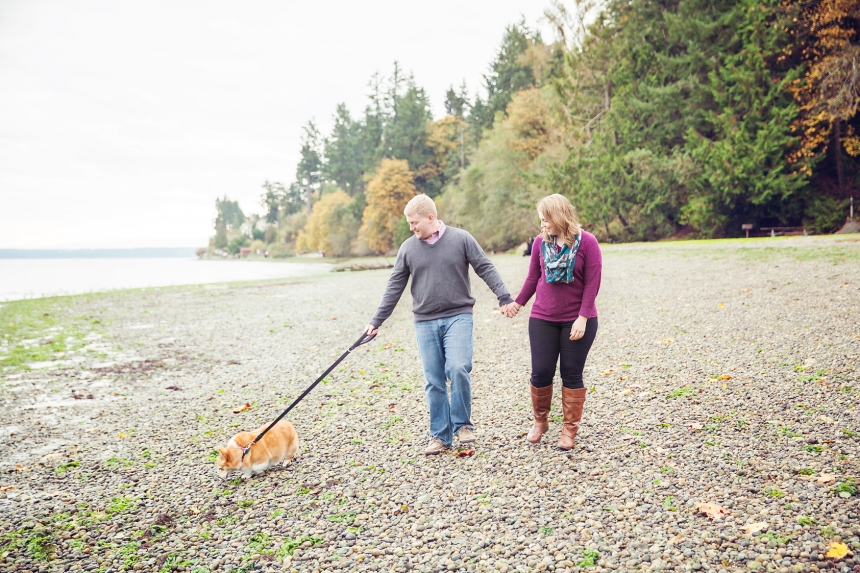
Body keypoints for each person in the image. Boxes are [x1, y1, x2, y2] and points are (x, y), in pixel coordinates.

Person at [364, 194, 515, 455]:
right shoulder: (408, 249)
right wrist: (377, 321)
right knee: (433, 380)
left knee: (458, 367)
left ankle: (463, 425)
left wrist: (504, 297)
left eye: (415, 223)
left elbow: (485, 268)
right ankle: (440, 436)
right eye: (409, 223)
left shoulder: (461, 239)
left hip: (459, 315)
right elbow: (394, 287)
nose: (412, 228)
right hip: (425, 321)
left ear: (431, 218)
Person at [503, 194, 602, 450]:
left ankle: (569, 430)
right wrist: (518, 303)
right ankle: (540, 421)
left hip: (578, 320)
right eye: (541, 220)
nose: (543, 225)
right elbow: (533, 278)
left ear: (560, 217)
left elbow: (592, 284)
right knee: (541, 372)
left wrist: (583, 317)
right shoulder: (540, 243)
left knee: (571, 373)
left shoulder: (587, 242)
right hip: (542, 318)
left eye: (546, 220)